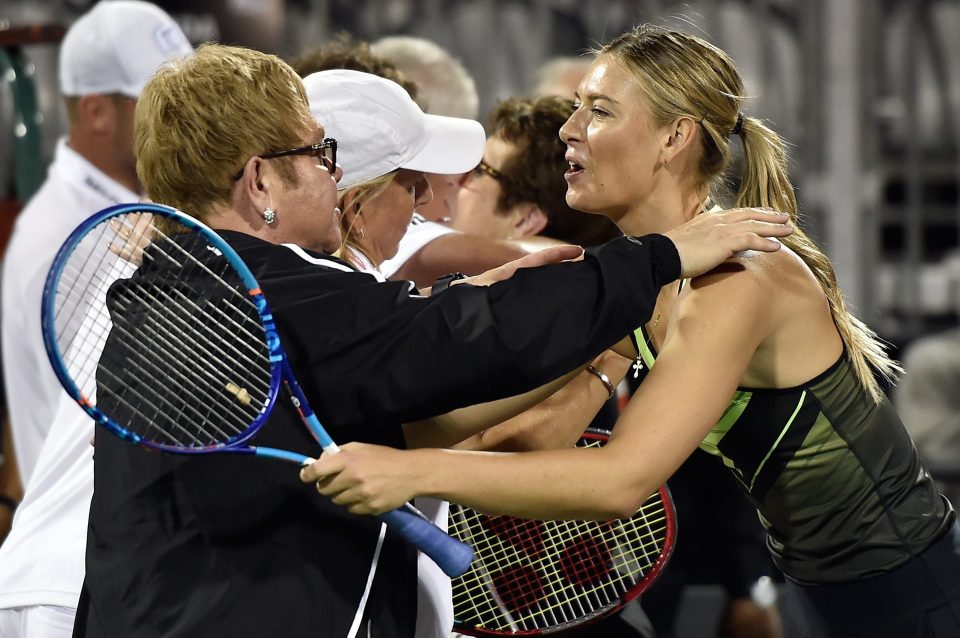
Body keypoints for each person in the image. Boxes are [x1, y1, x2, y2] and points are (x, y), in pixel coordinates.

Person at [75, 43, 792, 638]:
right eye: (318, 152)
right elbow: (468, 339)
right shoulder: (278, 295)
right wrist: (660, 257)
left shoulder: (175, 285)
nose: (333, 173)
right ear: (261, 180)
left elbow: (423, 409)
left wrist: (610, 339)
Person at [302, 25, 960, 638]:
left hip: (912, 589)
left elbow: (620, 482)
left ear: (675, 138)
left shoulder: (739, 281)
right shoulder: (640, 278)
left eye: (600, 111)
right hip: (830, 585)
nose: (568, 130)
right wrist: (359, 442)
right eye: (578, 107)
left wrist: (406, 469)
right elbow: (507, 423)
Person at [0, 3, 192, 636]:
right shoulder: (73, 239)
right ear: (97, 112)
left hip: (102, 572)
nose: (186, 122)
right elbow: (106, 429)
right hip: (72, 584)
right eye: (161, 103)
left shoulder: (134, 217)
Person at [292, 36, 527, 289]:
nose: (426, 196)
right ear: (356, 209)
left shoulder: (299, 283)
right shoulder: (356, 306)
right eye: (412, 186)